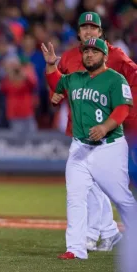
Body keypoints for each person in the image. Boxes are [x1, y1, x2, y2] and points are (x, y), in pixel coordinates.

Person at [42, 38, 137, 260]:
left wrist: (105, 126)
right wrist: (50, 66)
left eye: (95, 51)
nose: (89, 55)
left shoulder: (115, 79)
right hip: (79, 147)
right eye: (86, 51)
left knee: (121, 197)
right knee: (75, 197)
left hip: (109, 147)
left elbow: (123, 108)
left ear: (105, 56)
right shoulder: (75, 78)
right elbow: (57, 83)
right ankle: (75, 248)